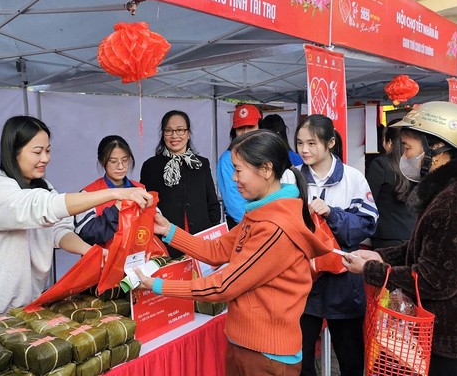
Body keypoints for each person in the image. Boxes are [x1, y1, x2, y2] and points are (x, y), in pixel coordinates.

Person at [344, 101, 457, 376]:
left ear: (437, 151)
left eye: (408, 148)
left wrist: (371, 270)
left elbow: (435, 281)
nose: (403, 156)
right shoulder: (454, 188)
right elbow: (431, 249)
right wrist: (381, 256)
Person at [136, 130, 330, 376]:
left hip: (266, 355)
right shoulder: (261, 213)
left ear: (266, 169)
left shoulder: (275, 227)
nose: (234, 179)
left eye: (239, 170)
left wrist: (157, 285)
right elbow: (218, 250)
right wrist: (169, 230)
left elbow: (222, 286)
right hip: (246, 345)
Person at [0, 116, 153, 326]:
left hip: (28, 307)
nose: (45, 158)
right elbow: (44, 208)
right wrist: (115, 194)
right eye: (37, 151)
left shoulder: (43, 186)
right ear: (13, 150)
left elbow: (59, 230)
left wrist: (92, 253)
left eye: (48, 150)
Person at [294, 114, 378, 376]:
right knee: (301, 358)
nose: (304, 150)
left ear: (330, 142)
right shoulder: (291, 177)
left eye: (311, 143)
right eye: (299, 143)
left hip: (344, 276)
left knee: (351, 358)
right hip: (304, 277)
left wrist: (332, 212)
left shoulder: (353, 177)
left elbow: (366, 225)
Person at [140, 110, 220, 257]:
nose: (174, 136)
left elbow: (212, 204)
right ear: (163, 134)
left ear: (188, 133)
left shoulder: (201, 164)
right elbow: (147, 209)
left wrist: (211, 233)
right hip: (166, 245)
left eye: (180, 130)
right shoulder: (151, 166)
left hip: (200, 242)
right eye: (169, 131)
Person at [74, 135, 144, 246]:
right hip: (103, 261)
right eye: (113, 161)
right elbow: (86, 235)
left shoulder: (140, 189)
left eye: (125, 160)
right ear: (102, 161)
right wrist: (116, 210)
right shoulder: (88, 193)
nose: (120, 166)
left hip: (136, 259)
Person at [366, 123, 416, 248]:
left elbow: (369, 199)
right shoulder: (417, 164)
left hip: (385, 236)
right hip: (412, 233)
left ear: (389, 142)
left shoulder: (380, 164)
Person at [217, 103, 262, 229]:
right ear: (234, 131)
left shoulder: (265, 153)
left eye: (250, 127)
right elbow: (233, 202)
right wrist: (255, 225)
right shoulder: (227, 159)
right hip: (243, 225)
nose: (245, 132)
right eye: (240, 128)